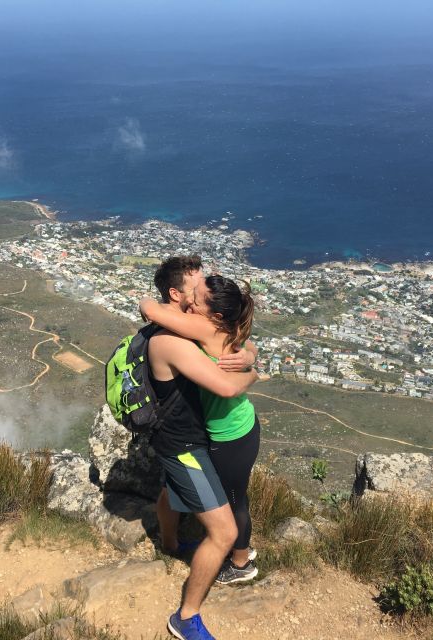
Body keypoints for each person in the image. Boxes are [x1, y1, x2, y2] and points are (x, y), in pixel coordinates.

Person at [145, 256, 259, 640]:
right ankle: (186, 616)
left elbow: (227, 336)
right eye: (193, 288)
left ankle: (171, 542)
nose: (197, 294)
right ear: (177, 295)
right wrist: (253, 372)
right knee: (223, 533)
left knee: (170, 490)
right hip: (185, 447)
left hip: (183, 441)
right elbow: (227, 386)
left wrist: (248, 354)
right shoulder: (171, 341)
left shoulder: (186, 330)